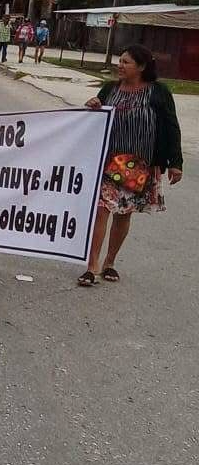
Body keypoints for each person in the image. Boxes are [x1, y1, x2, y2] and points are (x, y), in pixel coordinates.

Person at [77, 45, 183, 286]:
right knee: (101, 209)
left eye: (126, 62)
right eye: (120, 61)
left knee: (123, 214)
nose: (120, 65)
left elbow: (171, 126)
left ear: (142, 67)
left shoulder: (158, 92)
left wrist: (175, 162)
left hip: (140, 167)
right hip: (109, 163)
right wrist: (92, 104)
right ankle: (92, 266)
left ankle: (110, 263)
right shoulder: (110, 89)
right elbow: (94, 117)